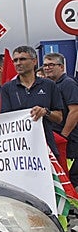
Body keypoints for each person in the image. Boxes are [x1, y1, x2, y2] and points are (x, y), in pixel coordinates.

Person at [0, 45, 63, 157]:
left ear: (34, 61)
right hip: (19, 149)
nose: (18, 63)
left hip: (45, 146)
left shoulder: (49, 85)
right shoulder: (7, 88)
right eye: (15, 60)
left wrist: (45, 112)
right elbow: (6, 120)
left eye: (23, 59)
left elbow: (59, 117)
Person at [43, 52, 78, 187]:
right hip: (57, 140)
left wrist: (63, 135)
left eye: (51, 65)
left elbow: (75, 111)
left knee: (70, 178)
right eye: (45, 65)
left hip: (69, 143)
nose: (47, 68)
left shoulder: (68, 84)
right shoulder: (50, 85)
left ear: (62, 67)